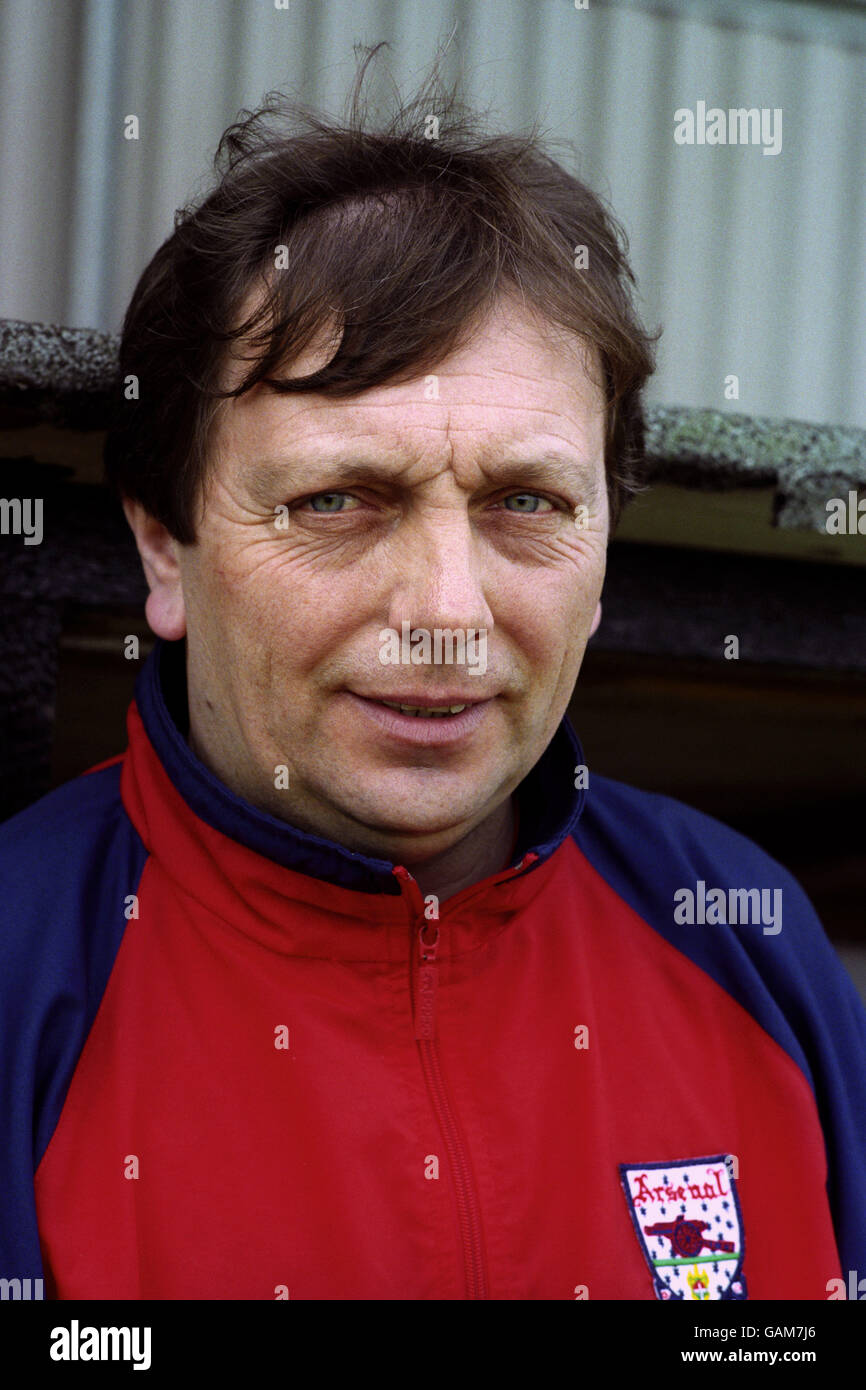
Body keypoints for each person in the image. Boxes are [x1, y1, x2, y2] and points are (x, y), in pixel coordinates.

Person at [1, 56, 864, 1302]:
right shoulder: (29, 981)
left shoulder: (744, 937)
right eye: (338, 499)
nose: (448, 613)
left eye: (526, 502)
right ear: (163, 544)